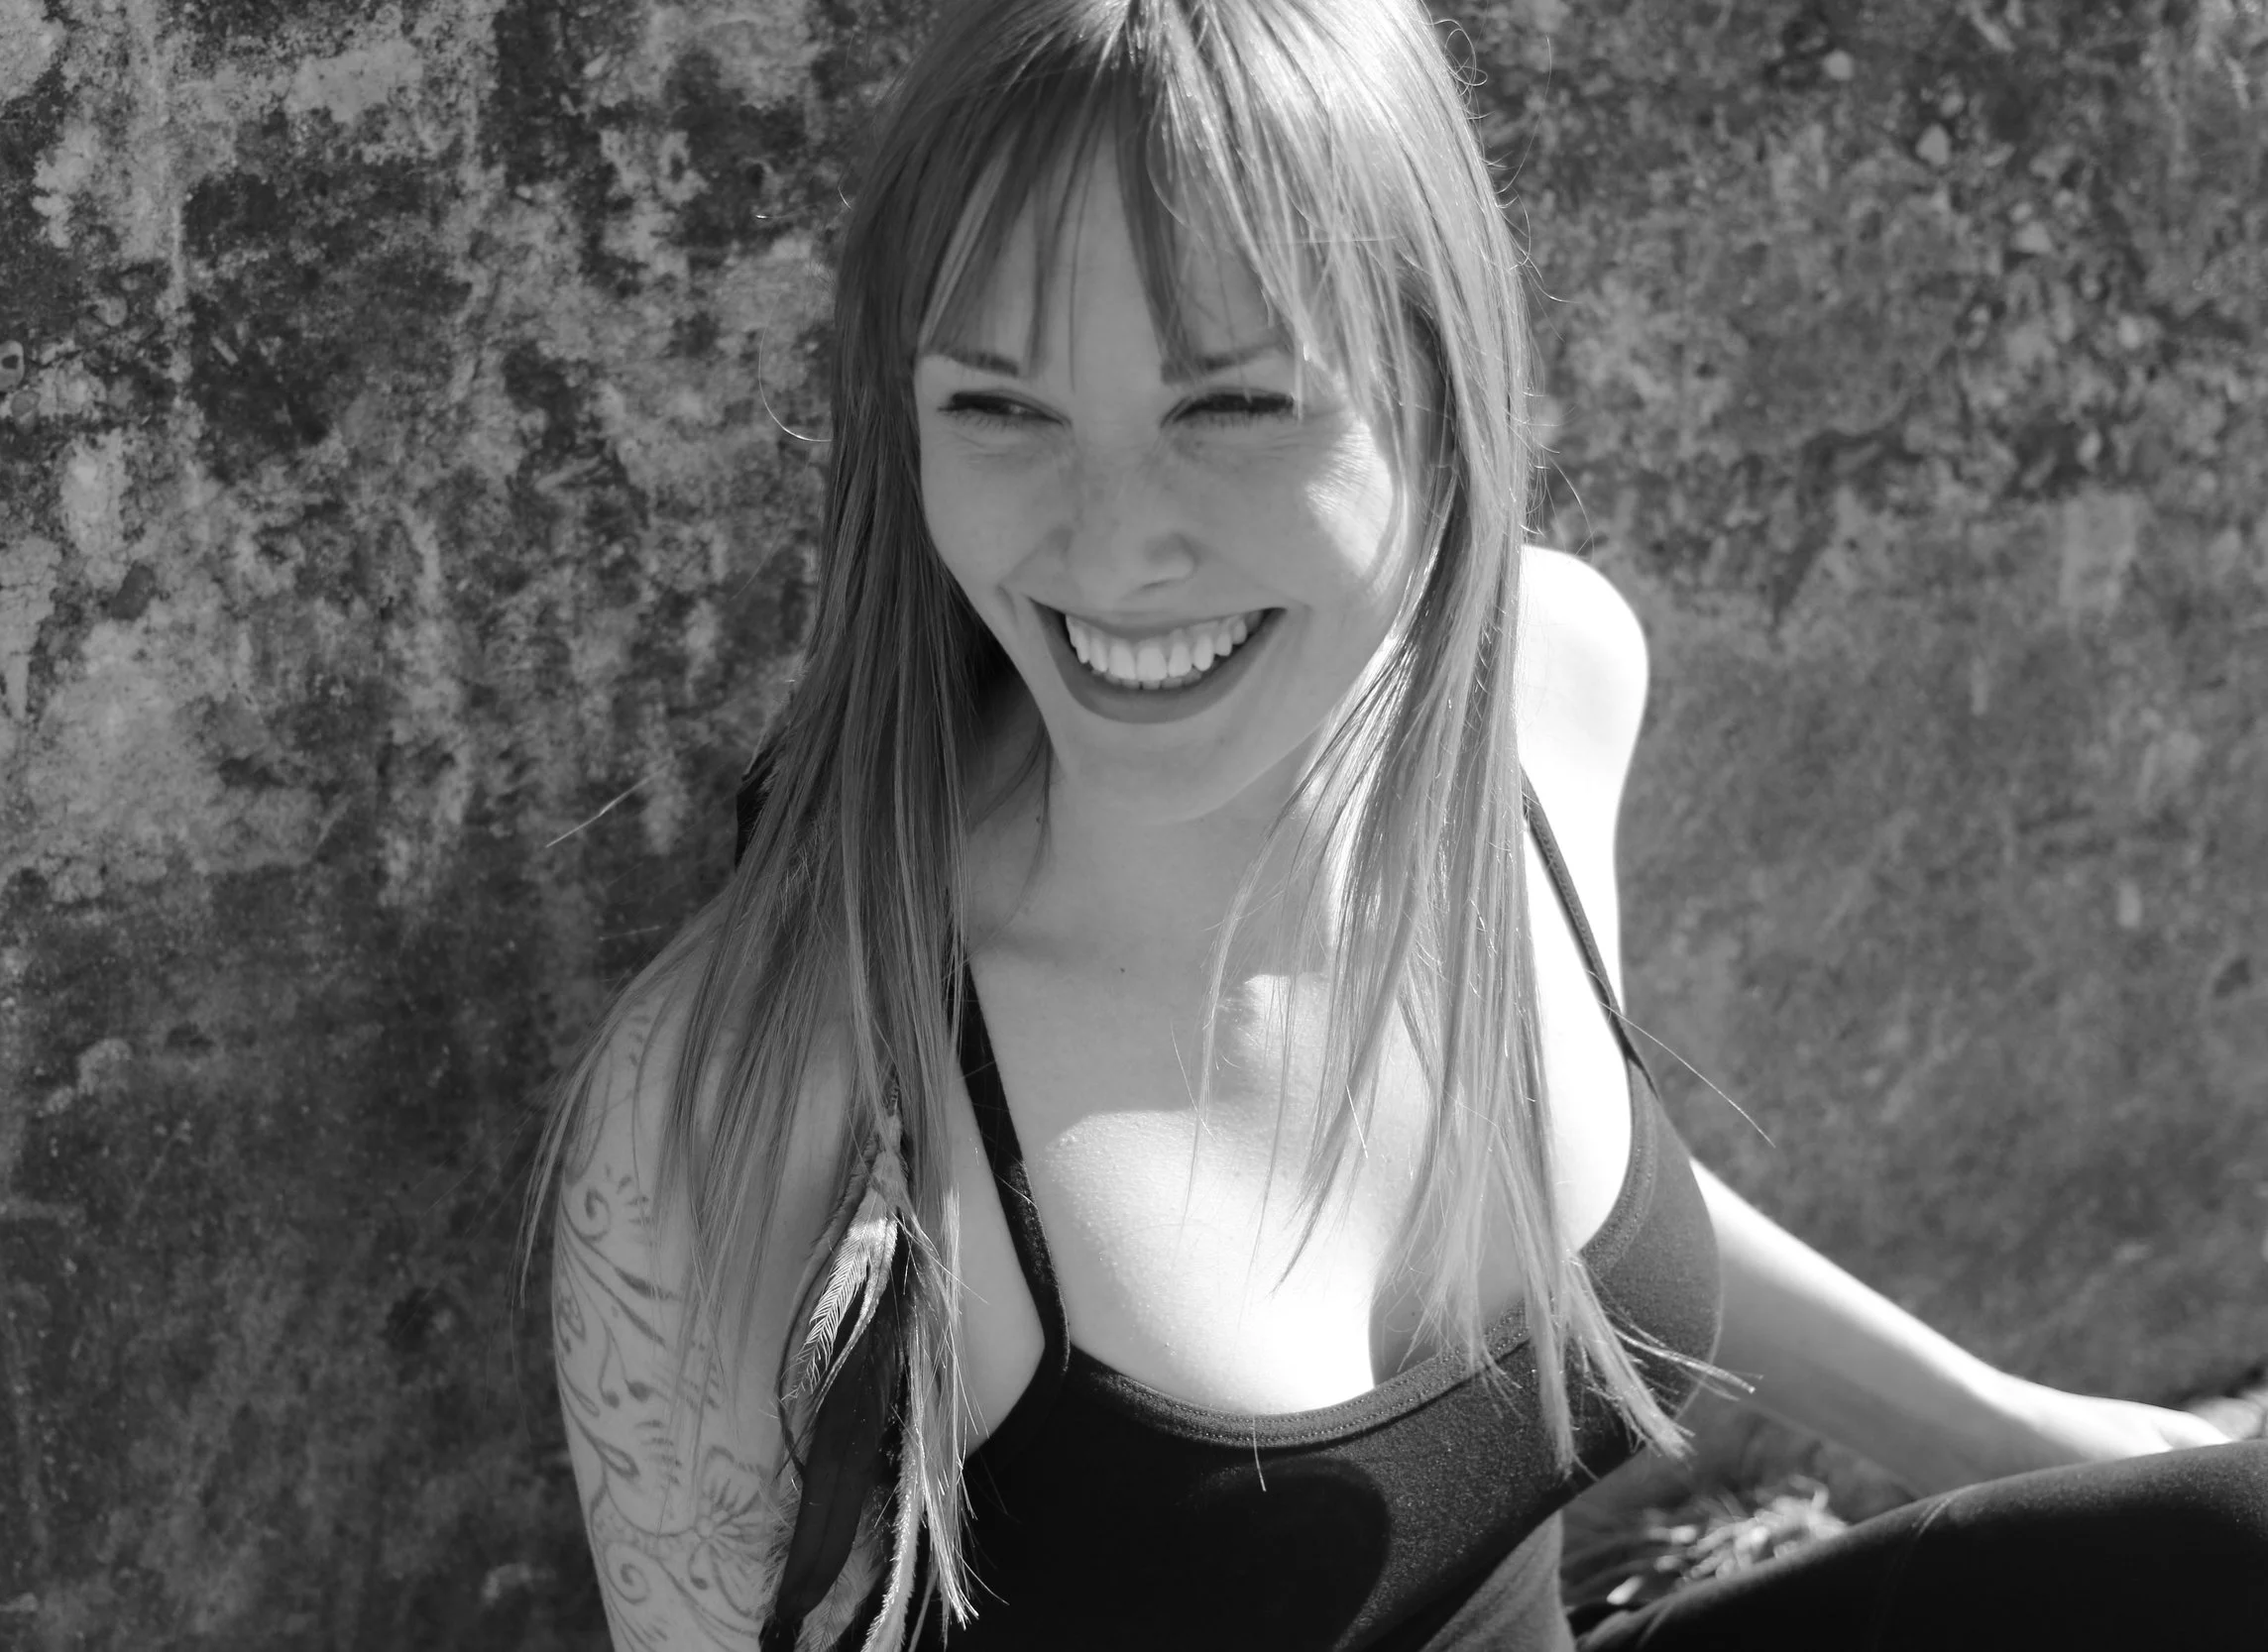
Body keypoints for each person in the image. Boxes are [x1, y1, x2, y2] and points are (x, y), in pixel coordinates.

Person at [535, 2, 2268, 1648]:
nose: (1113, 545)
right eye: (998, 406)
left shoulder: (1545, 691)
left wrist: (2000, 1425)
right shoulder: (765, 1099)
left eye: (1233, 405)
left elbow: (1550, 1179)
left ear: (1442, 395)